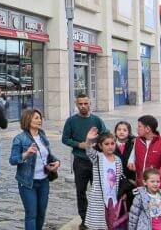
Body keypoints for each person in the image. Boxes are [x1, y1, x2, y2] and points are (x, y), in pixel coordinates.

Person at [62, 94, 109, 230]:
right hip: (80, 161)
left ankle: (100, 218)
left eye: (85, 103)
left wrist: (97, 141)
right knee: (80, 191)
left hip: (96, 162)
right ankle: (84, 219)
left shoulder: (97, 120)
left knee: (98, 191)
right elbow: (65, 139)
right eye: (80, 104)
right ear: (77, 105)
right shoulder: (71, 121)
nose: (83, 106)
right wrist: (79, 145)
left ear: (90, 104)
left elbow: (105, 134)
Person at [9, 108, 60, 230]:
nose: (39, 120)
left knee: (41, 213)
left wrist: (57, 162)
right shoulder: (20, 139)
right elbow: (12, 160)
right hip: (27, 183)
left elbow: (48, 155)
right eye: (36, 118)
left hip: (44, 181)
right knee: (31, 214)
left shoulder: (42, 136)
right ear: (28, 120)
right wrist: (26, 154)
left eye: (40, 118)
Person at [84, 127, 125, 230]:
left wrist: (122, 194)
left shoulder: (118, 160)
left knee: (112, 223)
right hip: (99, 198)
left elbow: (120, 178)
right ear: (100, 146)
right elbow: (89, 150)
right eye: (106, 144)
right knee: (99, 224)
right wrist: (88, 140)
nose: (110, 146)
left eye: (112, 143)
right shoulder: (98, 158)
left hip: (113, 198)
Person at [127, 115, 161, 186]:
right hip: (140, 183)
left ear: (147, 129)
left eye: (139, 126)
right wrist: (131, 161)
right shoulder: (137, 140)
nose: (137, 128)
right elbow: (133, 153)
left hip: (155, 186)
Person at [114, 121, 136, 208]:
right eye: (119, 129)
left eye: (124, 130)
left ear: (129, 132)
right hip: (116, 180)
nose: (121, 132)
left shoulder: (133, 144)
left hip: (131, 180)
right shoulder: (111, 144)